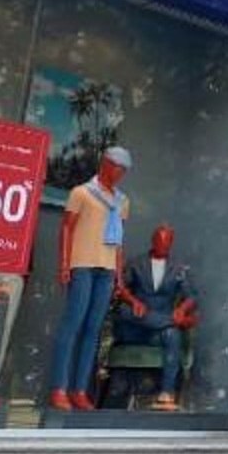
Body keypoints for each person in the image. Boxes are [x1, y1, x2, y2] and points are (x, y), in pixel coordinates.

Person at [47, 146, 132, 411]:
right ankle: (59, 387)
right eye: (116, 166)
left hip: (106, 269)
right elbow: (67, 228)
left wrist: (119, 275)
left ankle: (80, 389)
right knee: (72, 324)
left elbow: (118, 242)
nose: (119, 173)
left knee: (93, 329)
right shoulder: (81, 193)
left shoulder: (122, 201)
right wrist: (64, 264)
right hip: (82, 264)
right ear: (104, 164)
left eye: (123, 170)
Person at [113, 223, 198, 411]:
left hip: (157, 332)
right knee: (126, 312)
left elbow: (192, 296)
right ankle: (169, 321)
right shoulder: (137, 264)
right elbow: (120, 288)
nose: (163, 245)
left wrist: (182, 309)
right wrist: (133, 301)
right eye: (160, 241)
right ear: (153, 241)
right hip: (137, 326)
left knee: (172, 335)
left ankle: (166, 392)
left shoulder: (178, 268)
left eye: (167, 242)